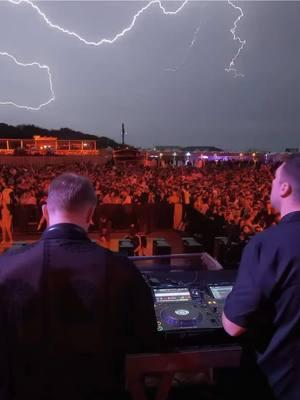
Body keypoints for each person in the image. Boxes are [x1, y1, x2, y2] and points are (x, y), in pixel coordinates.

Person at [0, 173, 157, 400]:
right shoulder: (122, 270)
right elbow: (147, 342)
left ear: (45, 211)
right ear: (91, 214)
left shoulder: (5, 267)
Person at [222, 155, 300, 400]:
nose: (272, 185)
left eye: (275, 179)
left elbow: (234, 326)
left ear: (285, 188)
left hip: (280, 382)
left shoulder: (269, 244)